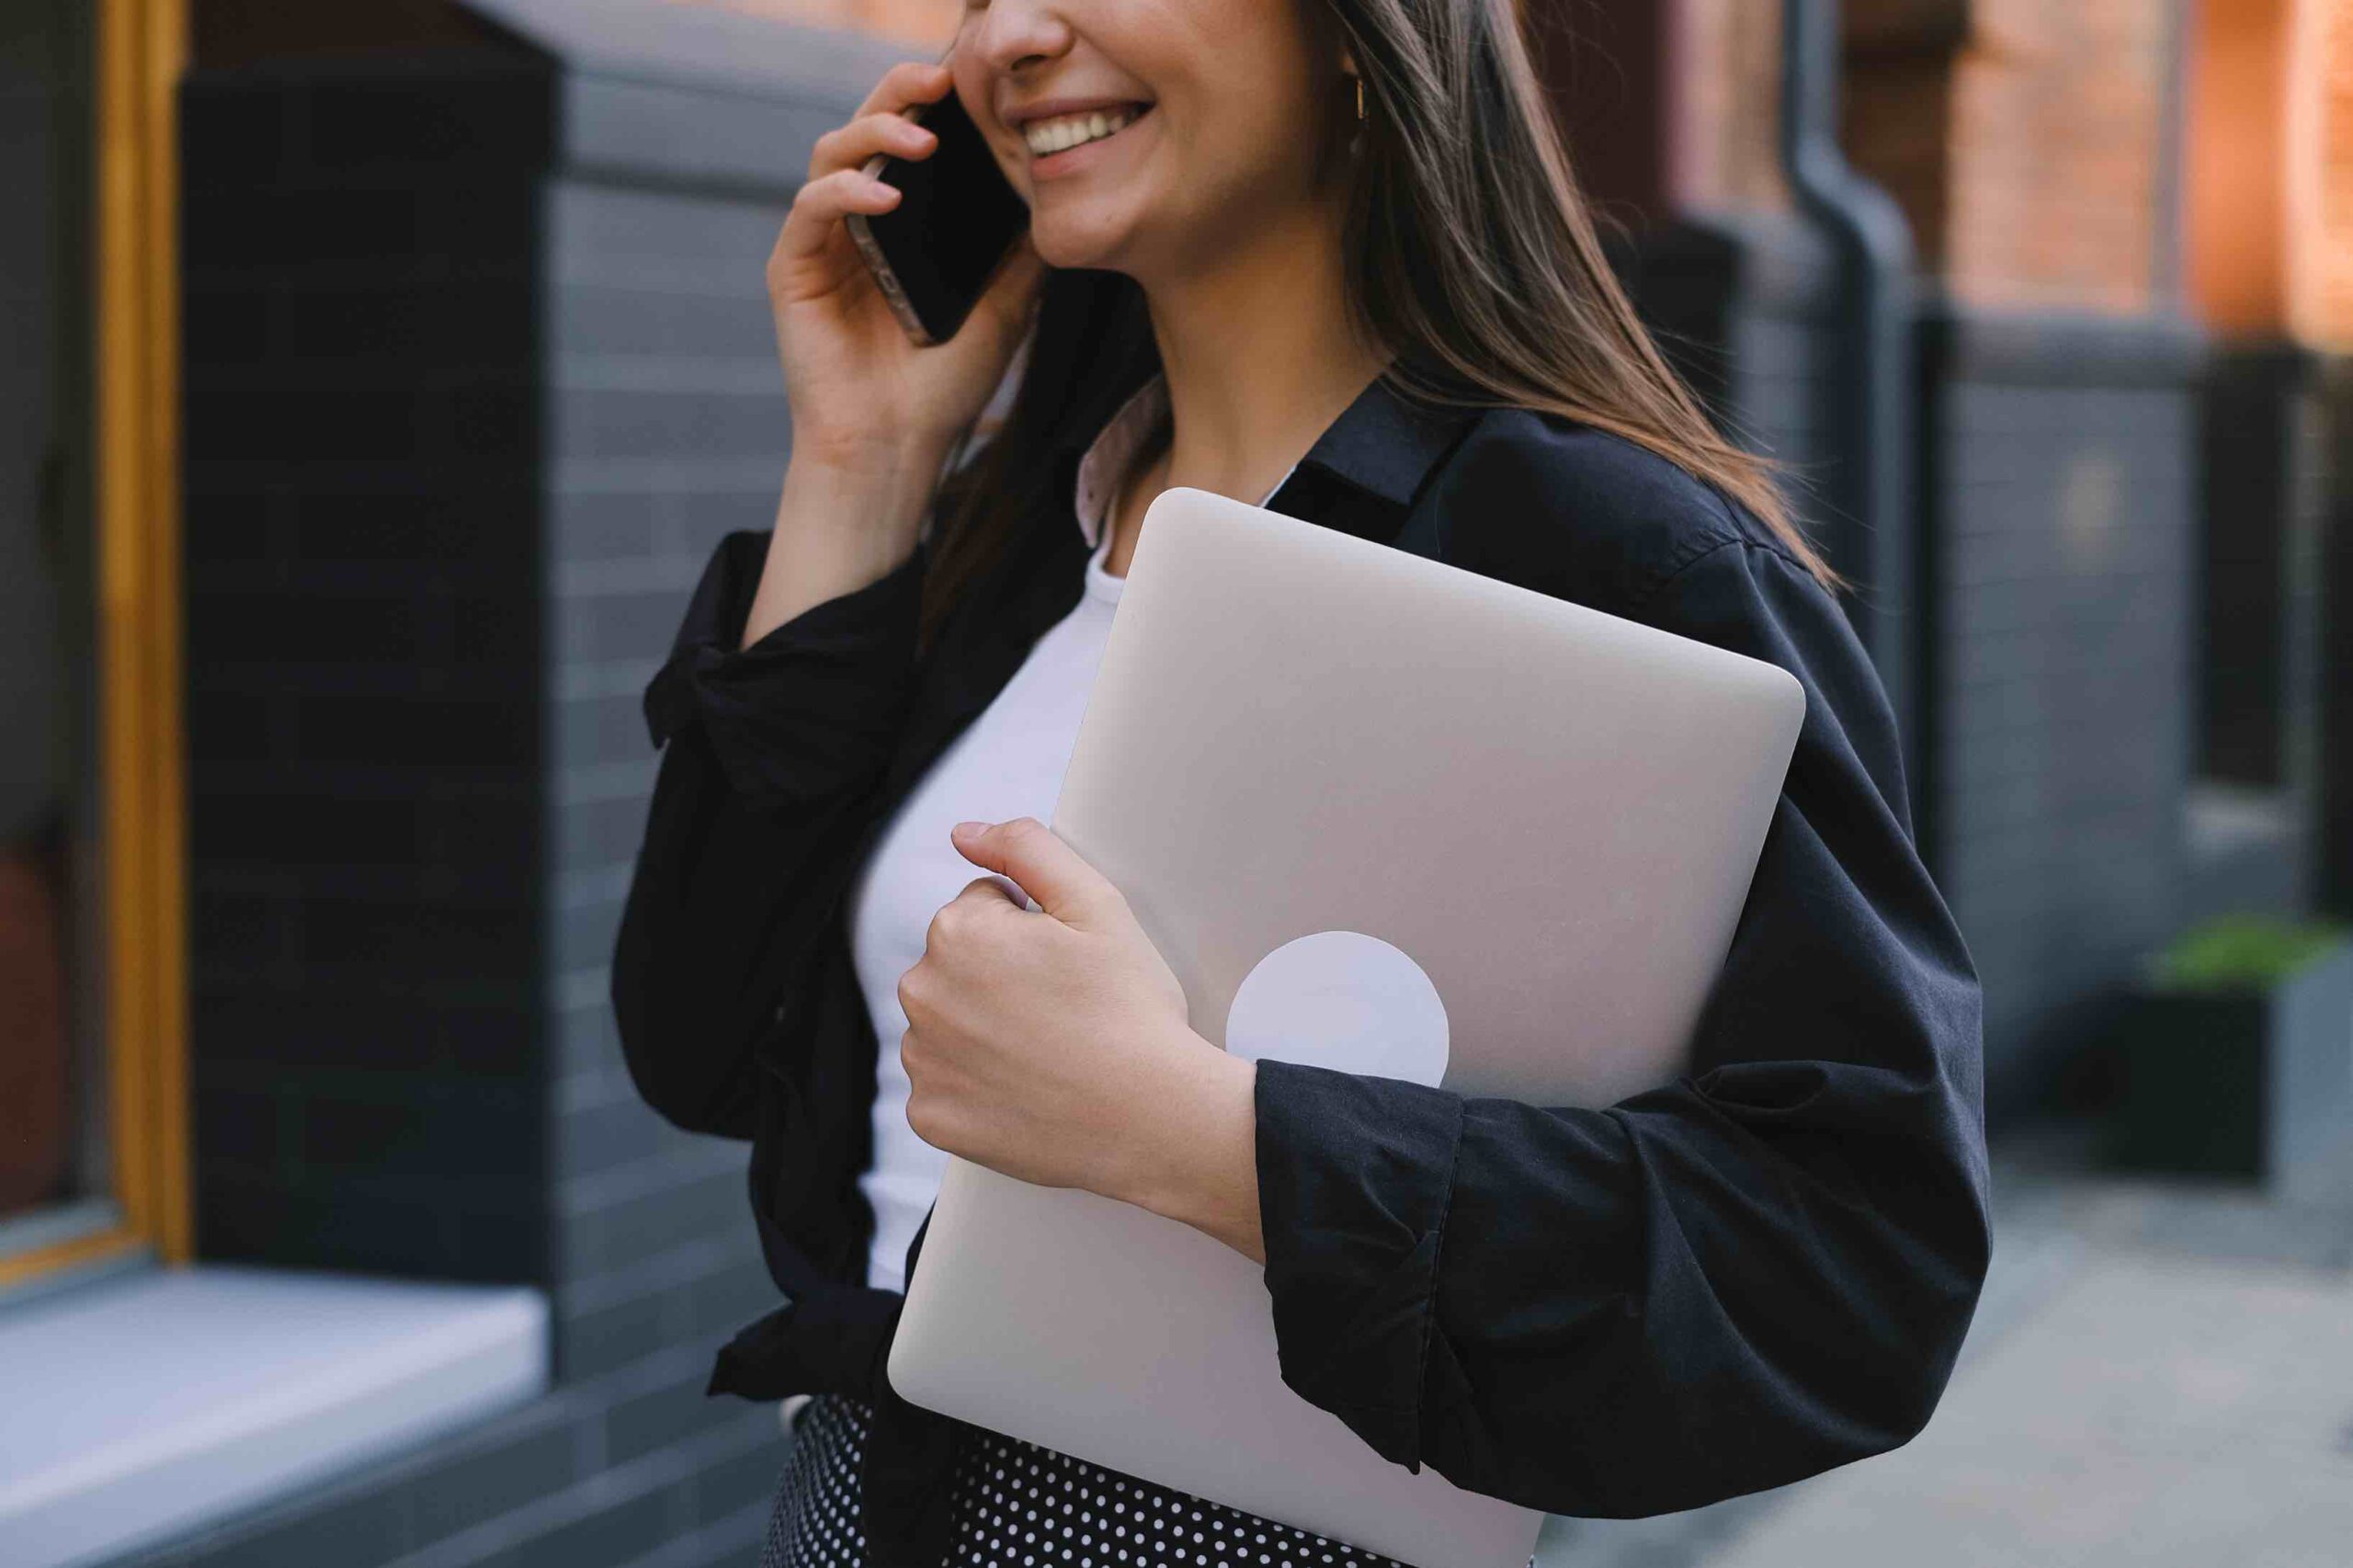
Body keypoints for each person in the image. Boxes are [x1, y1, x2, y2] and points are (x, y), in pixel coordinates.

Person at [611, 2, 1993, 1565]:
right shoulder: (1015, 545)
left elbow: (1853, 1270)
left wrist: (1198, 1133)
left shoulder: (1608, 555)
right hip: (858, 1510)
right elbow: (699, 1044)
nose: (1010, 36)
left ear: (1357, 34)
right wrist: (858, 464)